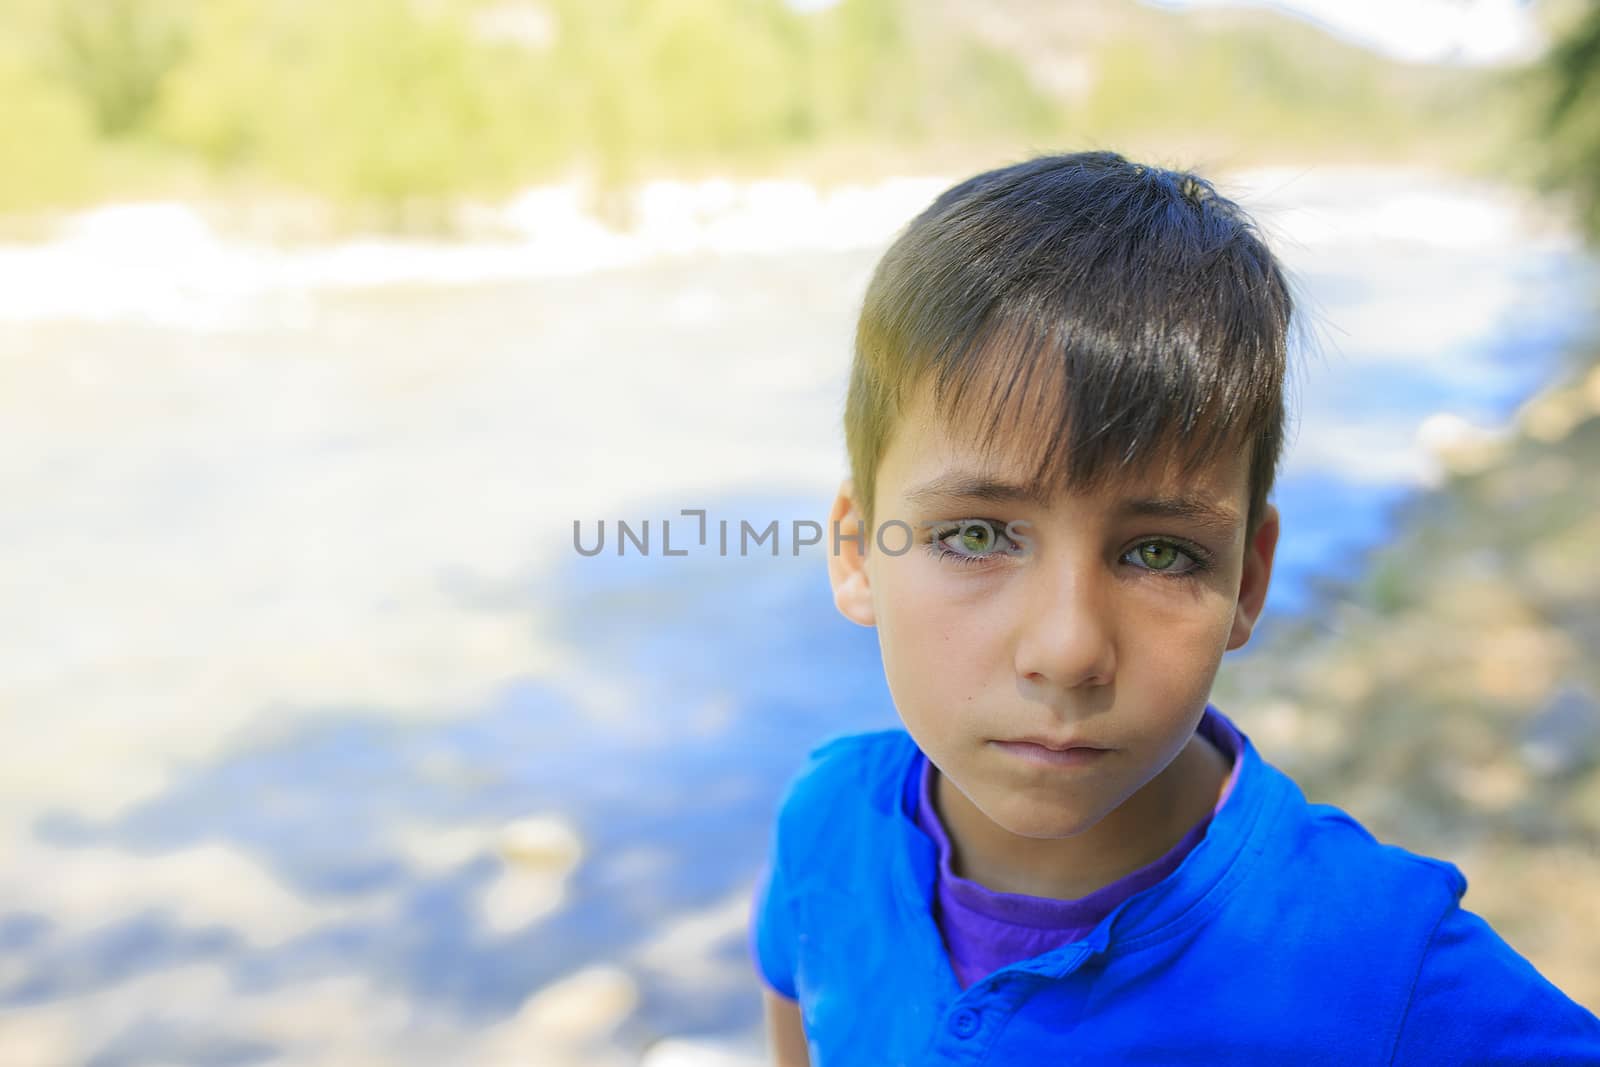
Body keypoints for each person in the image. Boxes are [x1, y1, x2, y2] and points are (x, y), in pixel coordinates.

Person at [746, 152, 1600, 1066]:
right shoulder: (828, 823)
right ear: (856, 552)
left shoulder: (1377, 965)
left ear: (1248, 579)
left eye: (1158, 552)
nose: (1069, 648)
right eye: (979, 536)